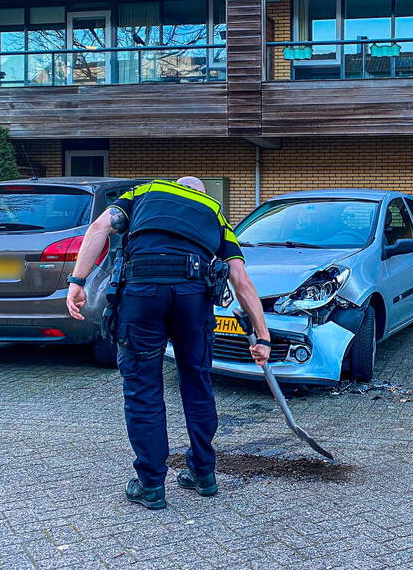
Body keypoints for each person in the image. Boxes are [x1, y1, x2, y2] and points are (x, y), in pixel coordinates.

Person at [66, 176, 271, 510]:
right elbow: (240, 280)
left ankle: (150, 485)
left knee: (143, 388)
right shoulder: (213, 211)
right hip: (193, 297)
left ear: (178, 186)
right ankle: (203, 473)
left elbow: (100, 227)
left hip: (143, 293)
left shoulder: (145, 192)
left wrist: (78, 281)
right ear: (199, 194)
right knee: (197, 382)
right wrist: (262, 337)